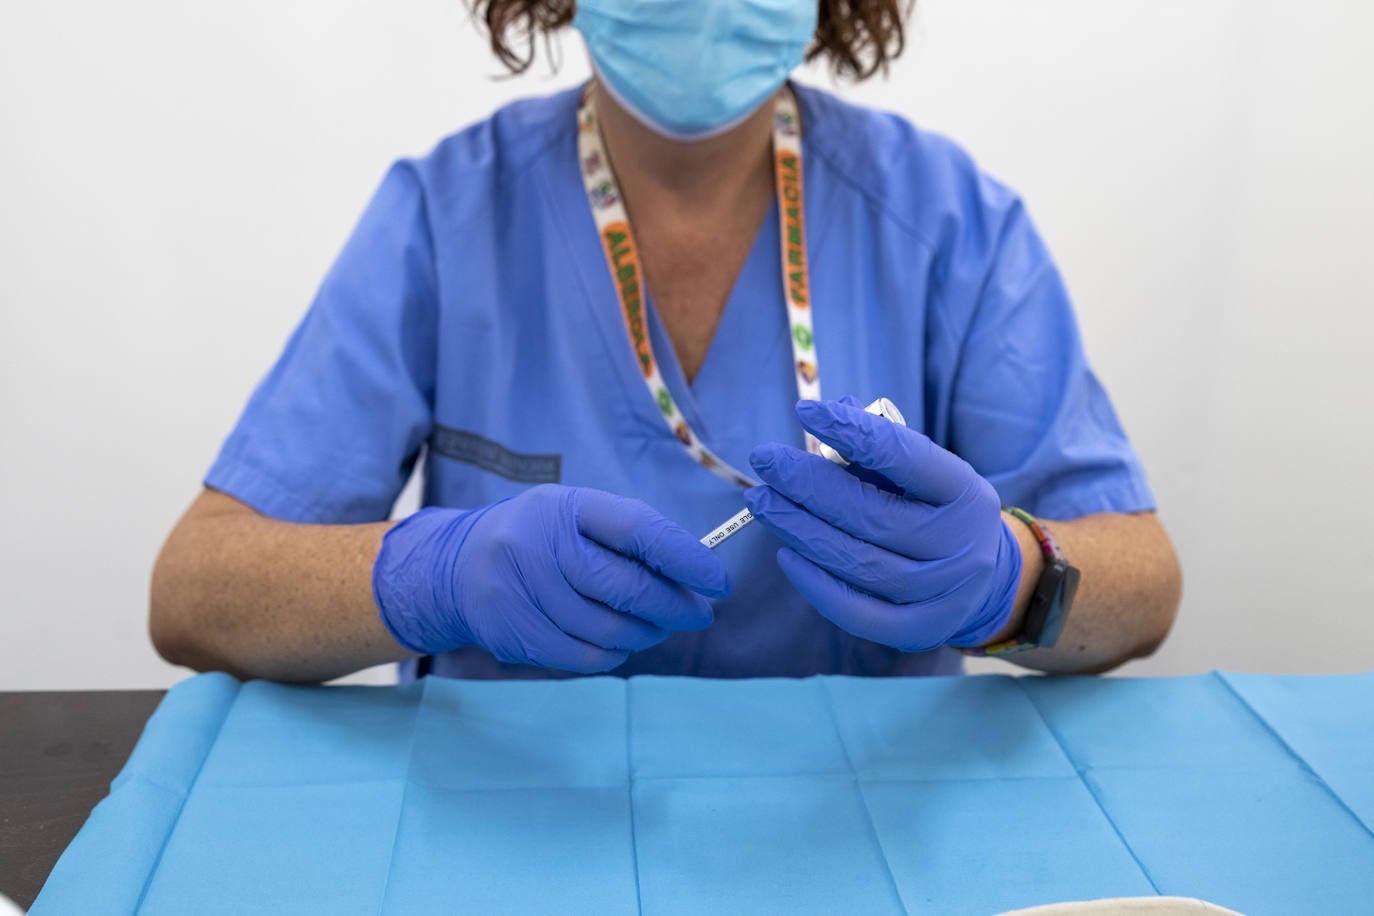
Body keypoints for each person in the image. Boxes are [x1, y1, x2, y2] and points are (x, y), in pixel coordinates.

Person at [150, 0, 1181, 685]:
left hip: (854, 838)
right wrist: (428, 575)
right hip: (516, 834)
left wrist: (1012, 580)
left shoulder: (949, 222)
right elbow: (197, 592)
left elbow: (1141, 584)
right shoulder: (445, 217)